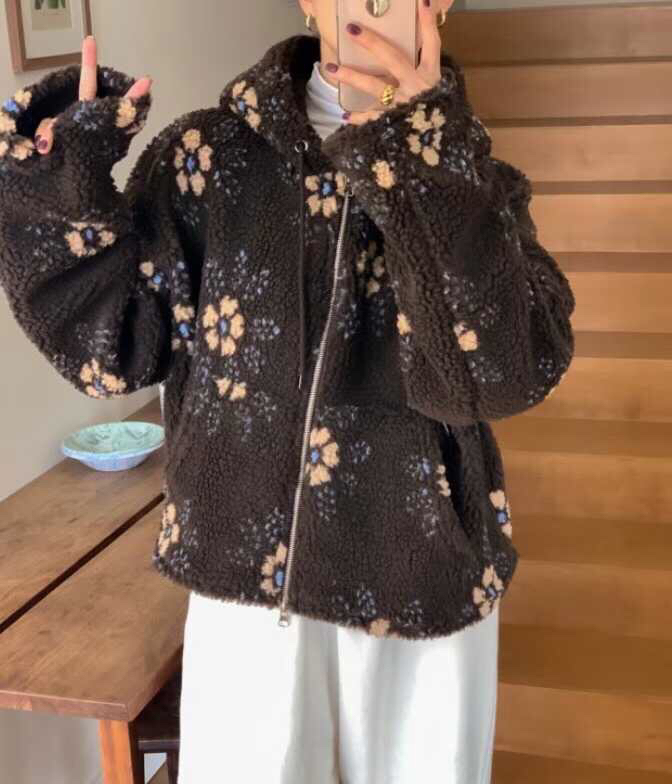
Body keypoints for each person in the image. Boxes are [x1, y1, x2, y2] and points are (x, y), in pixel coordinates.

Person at [0, 0, 575, 782]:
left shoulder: (475, 182)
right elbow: (114, 352)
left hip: (423, 583)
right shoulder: (207, 158)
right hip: (246, 586)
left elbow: (500, 376)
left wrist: (424, 165)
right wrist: (59, 188)